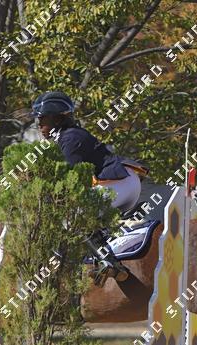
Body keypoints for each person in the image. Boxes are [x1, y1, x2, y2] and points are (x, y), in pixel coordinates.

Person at [31, 90, 147, 284]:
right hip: (123, 184)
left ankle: (109, 262)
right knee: (81, 218)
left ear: (57, 119)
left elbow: (71, 182)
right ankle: (100, 254)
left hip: (119, 183)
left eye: (43, 118)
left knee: (71, 217)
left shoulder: (70, 138)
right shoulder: (67, 136)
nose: (39, 123)